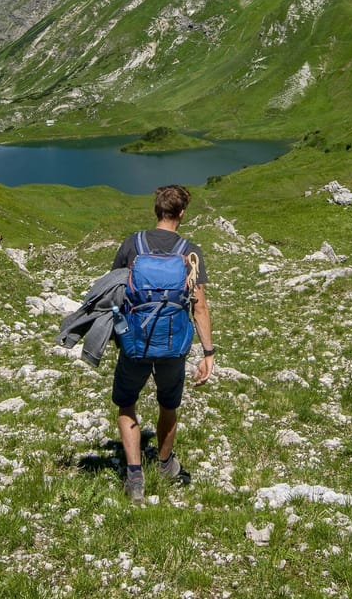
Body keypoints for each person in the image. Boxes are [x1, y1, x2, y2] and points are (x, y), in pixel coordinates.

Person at [109, 183, 214, 502]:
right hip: (173, 345)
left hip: (135, 342)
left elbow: (114, 289)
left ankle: (135, 477)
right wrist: (208, 352)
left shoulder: (133, 244)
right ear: (181, 213)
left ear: (156, 210)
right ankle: (166, 464)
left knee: (126, 403)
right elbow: (200, 306)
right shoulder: (189, 251)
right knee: (169, 404)